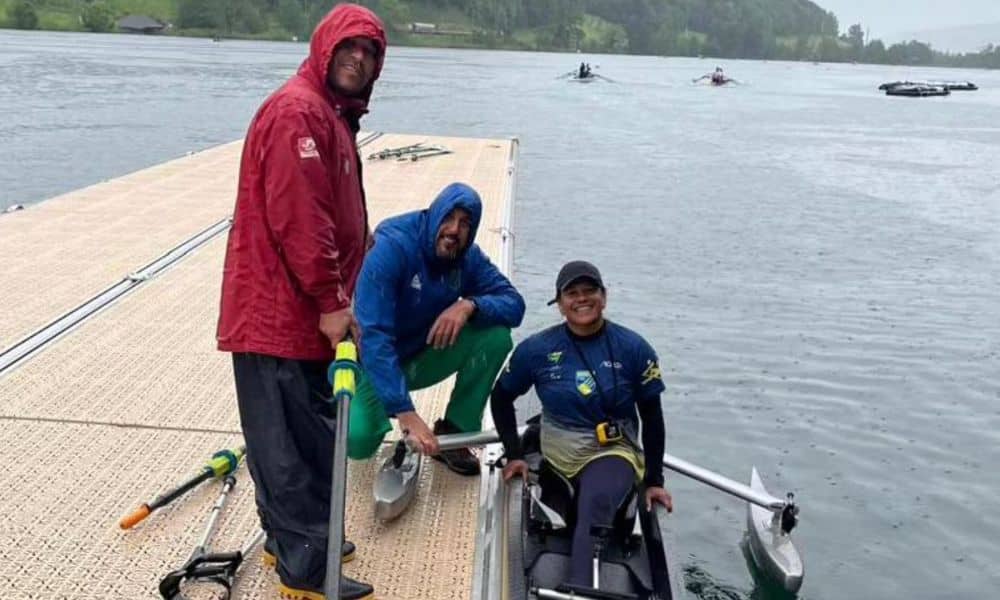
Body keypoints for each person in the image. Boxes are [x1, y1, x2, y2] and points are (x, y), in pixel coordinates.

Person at [216, 4, 386, 599]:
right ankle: (307, 571)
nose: (358, 59)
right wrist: (330, 299)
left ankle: (290, 539)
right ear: (324, 47)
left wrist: (358, 244)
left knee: (296, 435)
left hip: (300, 314)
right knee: (291, 445)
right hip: (279, 312)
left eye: (370, 52)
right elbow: (299, 216)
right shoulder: (298, 112)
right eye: (350, 47)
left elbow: (328, 208)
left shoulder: (330, 117)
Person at [490, 260, 673, 589]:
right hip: (557, 451)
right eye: (572, 293)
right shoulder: (536, 350)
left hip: (613, 451)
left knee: (592, 507)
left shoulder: (634, 349)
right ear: (559, 304)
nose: (582, 299)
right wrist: (514, 454)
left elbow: (652, 415)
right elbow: (501, 398)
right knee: (574, 503)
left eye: (590, 291)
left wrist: (654, 480)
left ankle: (582, 589)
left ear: (604, 297)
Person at [349, 182, 526, 475]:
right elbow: (373, 337)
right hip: (369, 360)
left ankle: (454, 432)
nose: (454, 230)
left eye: (465, 223)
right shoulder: (391, 248)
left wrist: (469, 305)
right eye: (448, 218)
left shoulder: (467, 257)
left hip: (419, 353)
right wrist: (406, 413)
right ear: (434, 214)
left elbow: (514, 304)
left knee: (496, 336)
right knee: (358, 442)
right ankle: (336, 408)